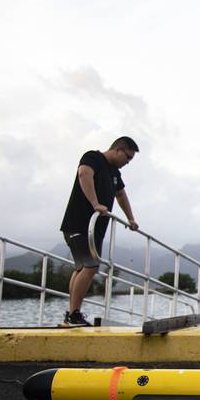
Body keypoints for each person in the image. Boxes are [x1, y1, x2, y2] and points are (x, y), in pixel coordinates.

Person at [60, 136, 140, 326]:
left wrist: (130, 219)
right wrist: (95, 203)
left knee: (81, 267)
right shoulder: (93, 158)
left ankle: (72, 313)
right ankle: (73, 314)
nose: (127, 163)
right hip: (78, 224)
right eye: (127, 158)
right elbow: (84, 174)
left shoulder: (114, 172)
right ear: (118, 149)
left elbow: (120, 194)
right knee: (91, 266)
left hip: (94, 229)